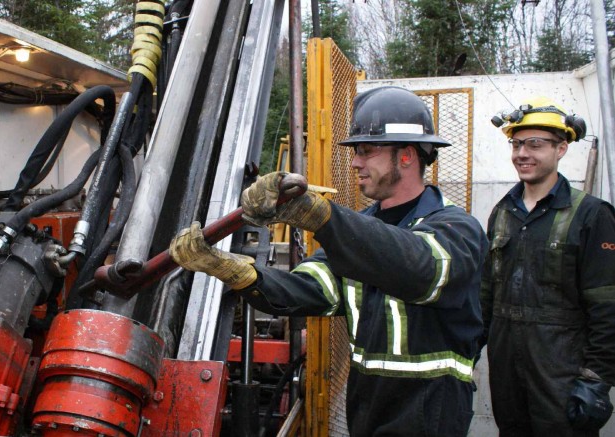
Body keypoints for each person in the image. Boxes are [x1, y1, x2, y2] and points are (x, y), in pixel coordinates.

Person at [169, 86, 488, 436]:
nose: (355, 163)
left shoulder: (458, 229)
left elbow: (418, 269)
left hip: (431, 414)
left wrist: (320, 217)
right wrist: (231, 269)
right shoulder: (358, 235)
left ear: (408, 155)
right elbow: (305, 290)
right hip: (368, 411)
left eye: (366, 151)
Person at [481, 97, 615, 436]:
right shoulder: (502, 212)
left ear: (561, 149)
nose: (522, 153)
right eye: (516, 144)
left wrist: (596, 379)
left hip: (562, 377)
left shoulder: (591, 215)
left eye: (535, 144)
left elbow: (608, 306)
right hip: (507, 371)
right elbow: (486, 294)